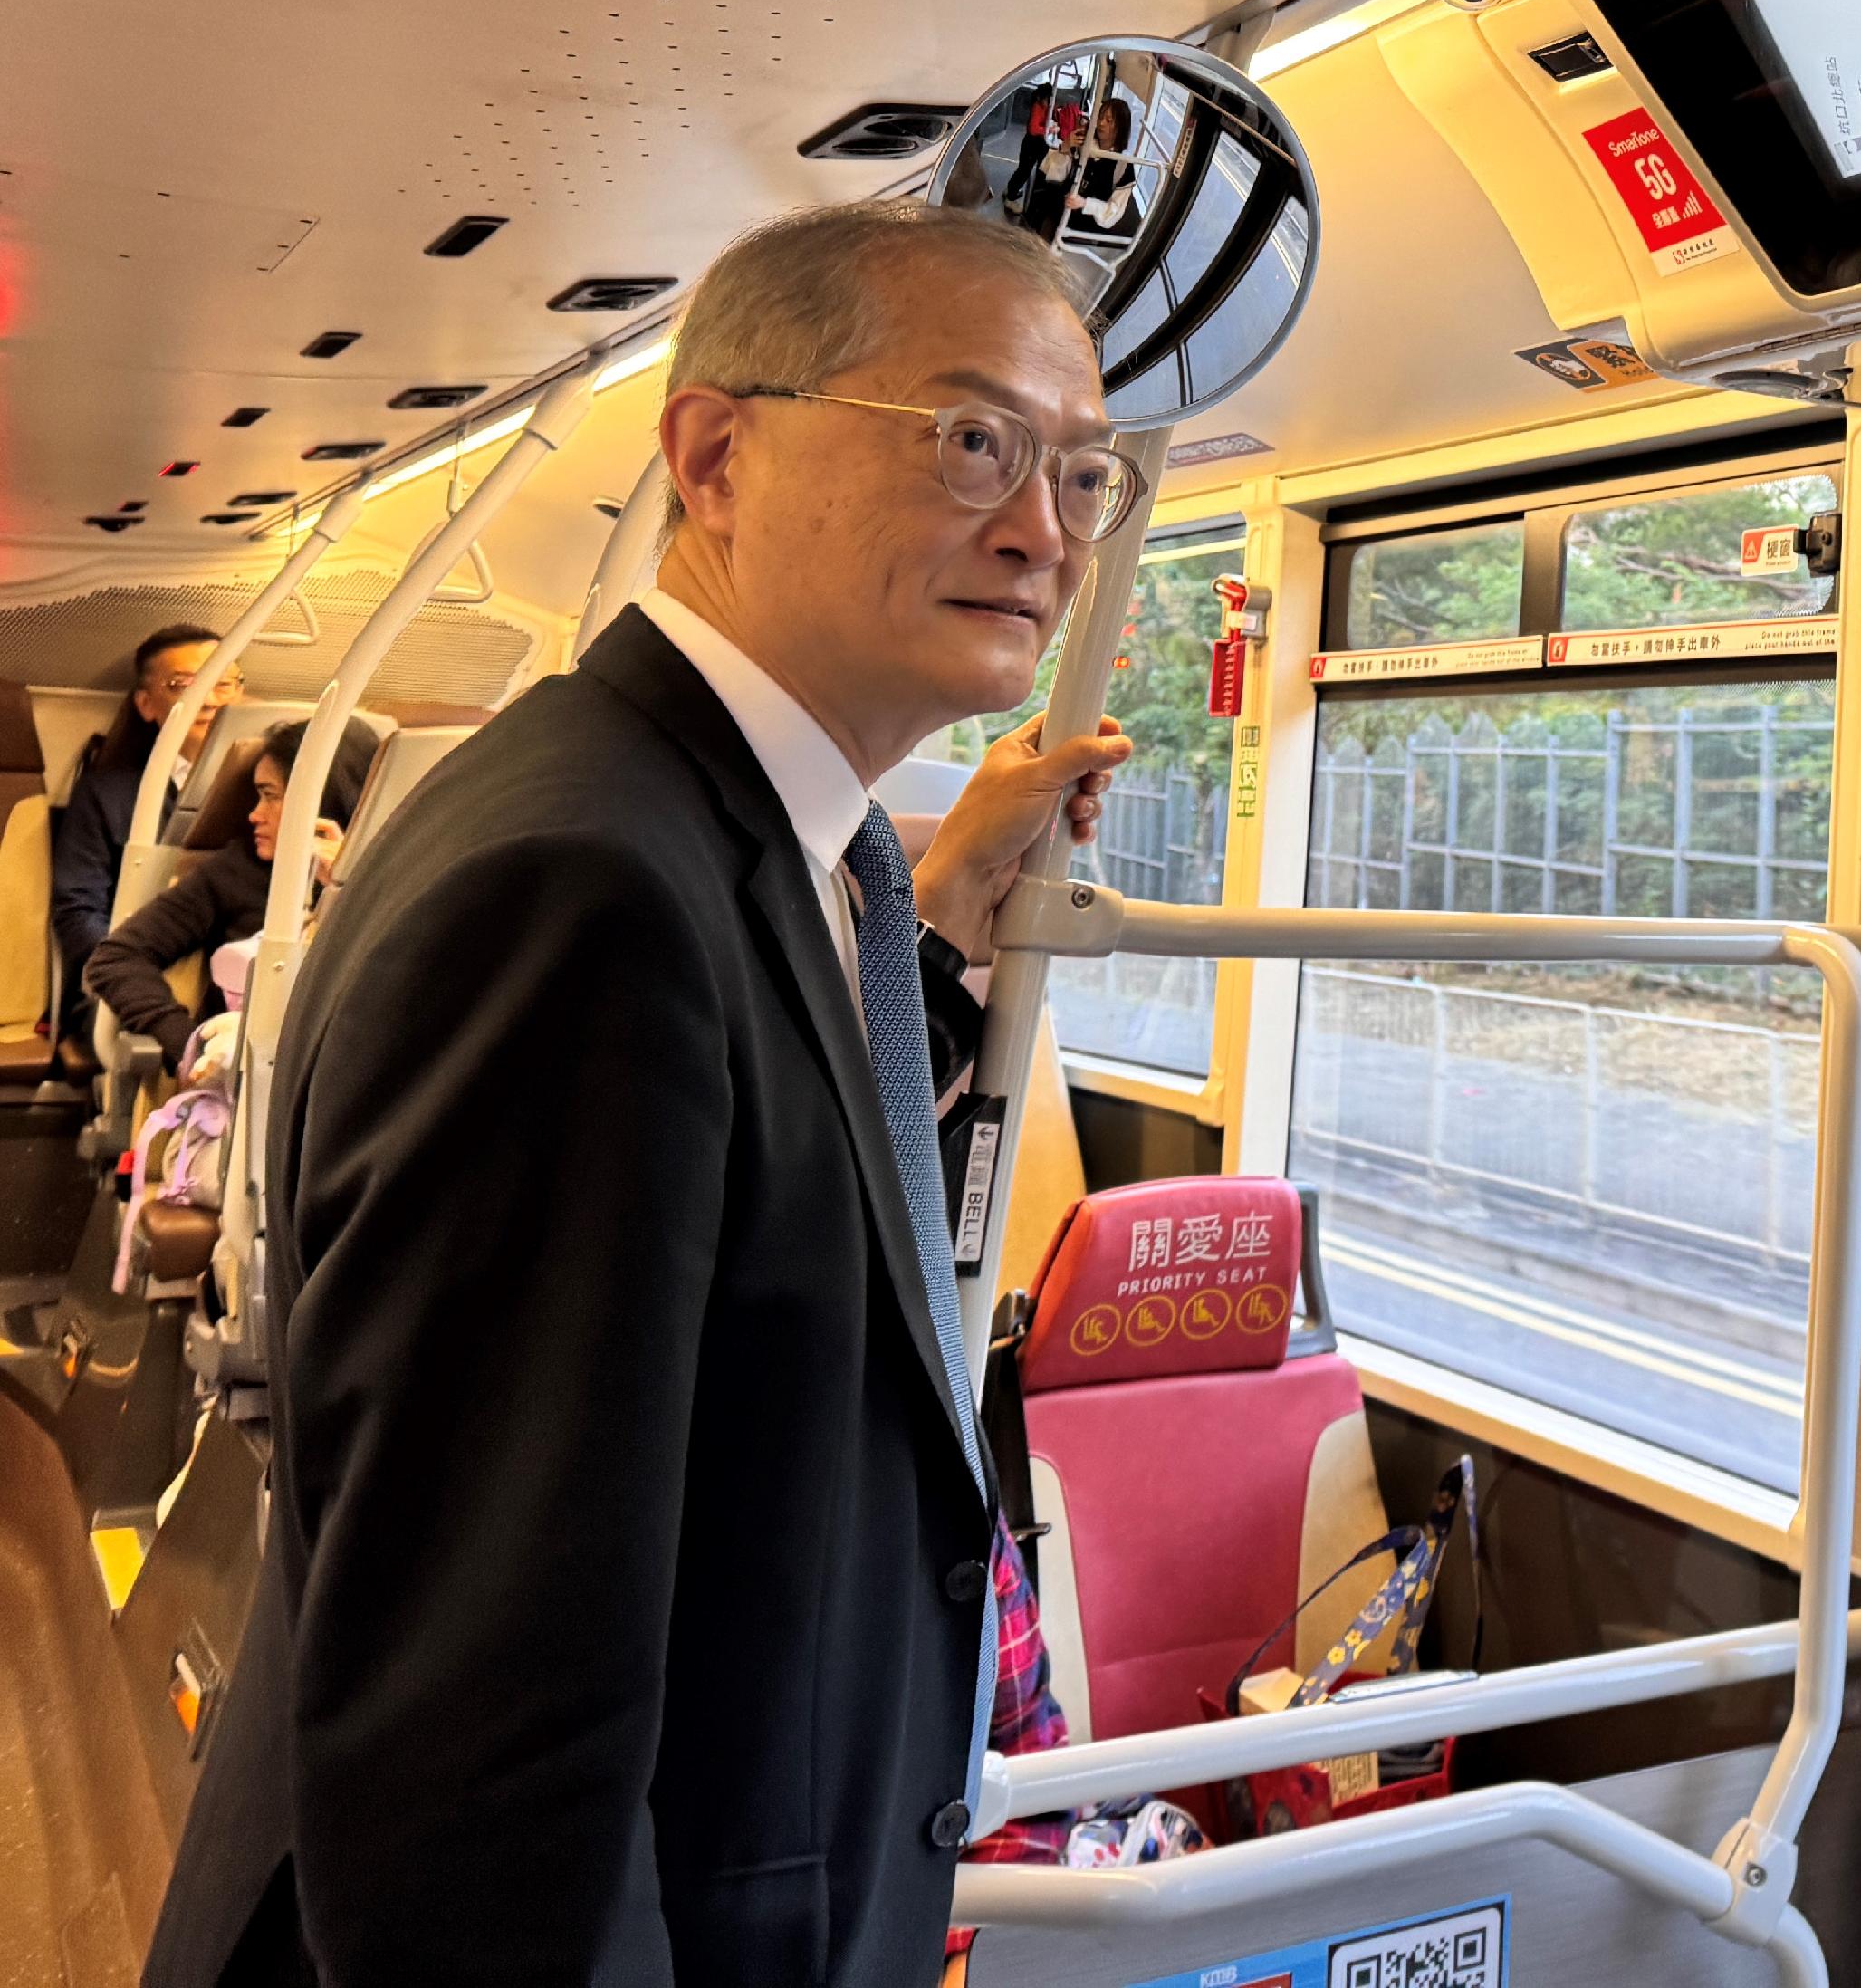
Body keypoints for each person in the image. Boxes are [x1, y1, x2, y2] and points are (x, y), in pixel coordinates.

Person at [148, 199, 1137, 1988]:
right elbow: (491, 1735)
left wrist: (922, 936)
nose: (1041, 529)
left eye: (1084, 473)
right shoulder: (587, 893)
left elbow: (730, 1199)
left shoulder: (731, 846)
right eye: (974, 439)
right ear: (715, 455)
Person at [82, 719, 380, 1075]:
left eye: (270, 796)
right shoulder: (234, 872)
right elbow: (114, 957)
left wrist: (345, 888)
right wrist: (192, 1046)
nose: (254, 814)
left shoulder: (384, 871)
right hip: (247, 1077)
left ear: (321, 797)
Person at [50, 622, 244, 1044]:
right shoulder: (107, 794)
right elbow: (77, 909)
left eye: (224, 684)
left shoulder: (266, 796)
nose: (210, 700)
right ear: (147, 704)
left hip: (237, 979)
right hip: (128, 977)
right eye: (184, 685)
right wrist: (131, 975)